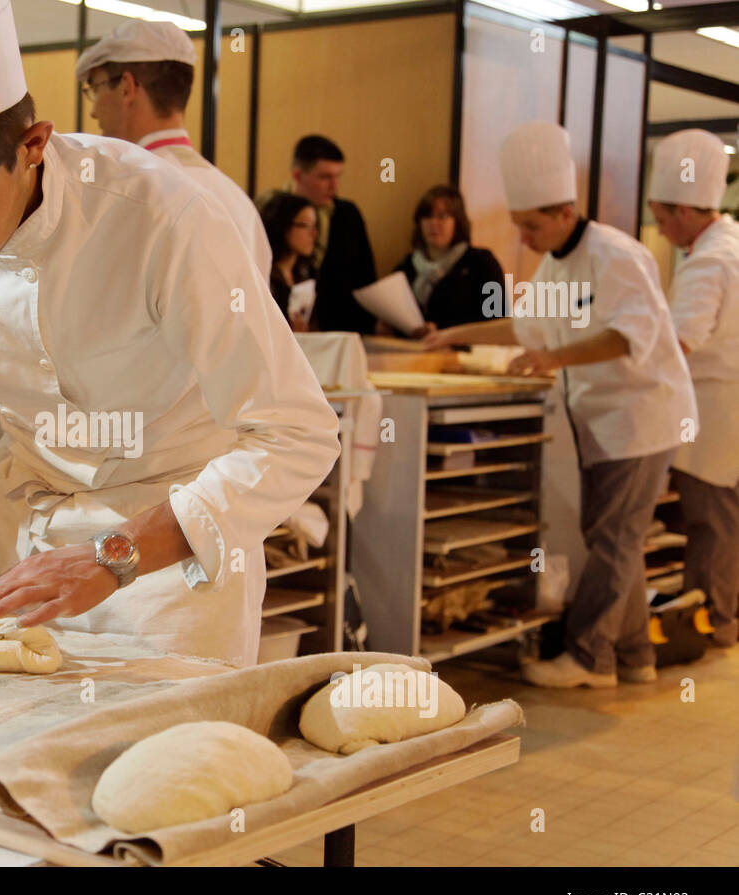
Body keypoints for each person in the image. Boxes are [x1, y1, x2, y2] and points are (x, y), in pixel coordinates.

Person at [0, 0, 340, 667]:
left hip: (169, 547)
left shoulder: (160, 216)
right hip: (15, 529)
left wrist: (116, 554)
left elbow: (297, 434)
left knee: (157, 735)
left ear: (32, 146)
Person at [423, 121, 697, 688]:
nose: (524, 237)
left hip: (642, 417)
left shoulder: (617, 256)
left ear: (565, 212)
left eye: (532, 225)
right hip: (602, 424)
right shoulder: (555, 264)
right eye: (519, 225)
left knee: (613, 541)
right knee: (614, 540)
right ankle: (635, 657)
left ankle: (590, 658)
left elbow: (628, 337)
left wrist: (554, 358)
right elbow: (525, 327)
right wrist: (454, 335)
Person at [74, 20, 271, 277]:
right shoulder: (238, 202)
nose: (93, 110)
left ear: (126, 88)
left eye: (96, 87)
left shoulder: (128, 194)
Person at [647, 129, 739, 649]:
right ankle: (721, 614)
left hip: (715, 407)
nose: (661, 231)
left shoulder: (708, 261)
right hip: (726, 403)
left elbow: (679, 342)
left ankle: (712, 621)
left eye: (661, 219)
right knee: (725, 519)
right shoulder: (731, 243)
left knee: (711, 520)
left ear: (684, 210)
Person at [289, 135, 377, 334]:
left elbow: (366, 280)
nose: (334, 186)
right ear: (298, 175)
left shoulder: (348, 214)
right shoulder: (274, 213)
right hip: (289, 331)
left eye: (338, 176)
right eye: (325, 177)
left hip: (341, 330)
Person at [391, 185, 505, 336]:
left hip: (462, 347)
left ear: (458, 221)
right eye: (427, 216)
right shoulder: (406, 266)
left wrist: (443, 331)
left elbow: (495, 319)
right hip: (410, 348)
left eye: (442, 216)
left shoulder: (482, 262)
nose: (433, 223)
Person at [258, 191, 317, 331]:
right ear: (283, 226)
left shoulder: (306, 273)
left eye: (315, 226)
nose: (314, 233)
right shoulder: (264, 275)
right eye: (305, 225)